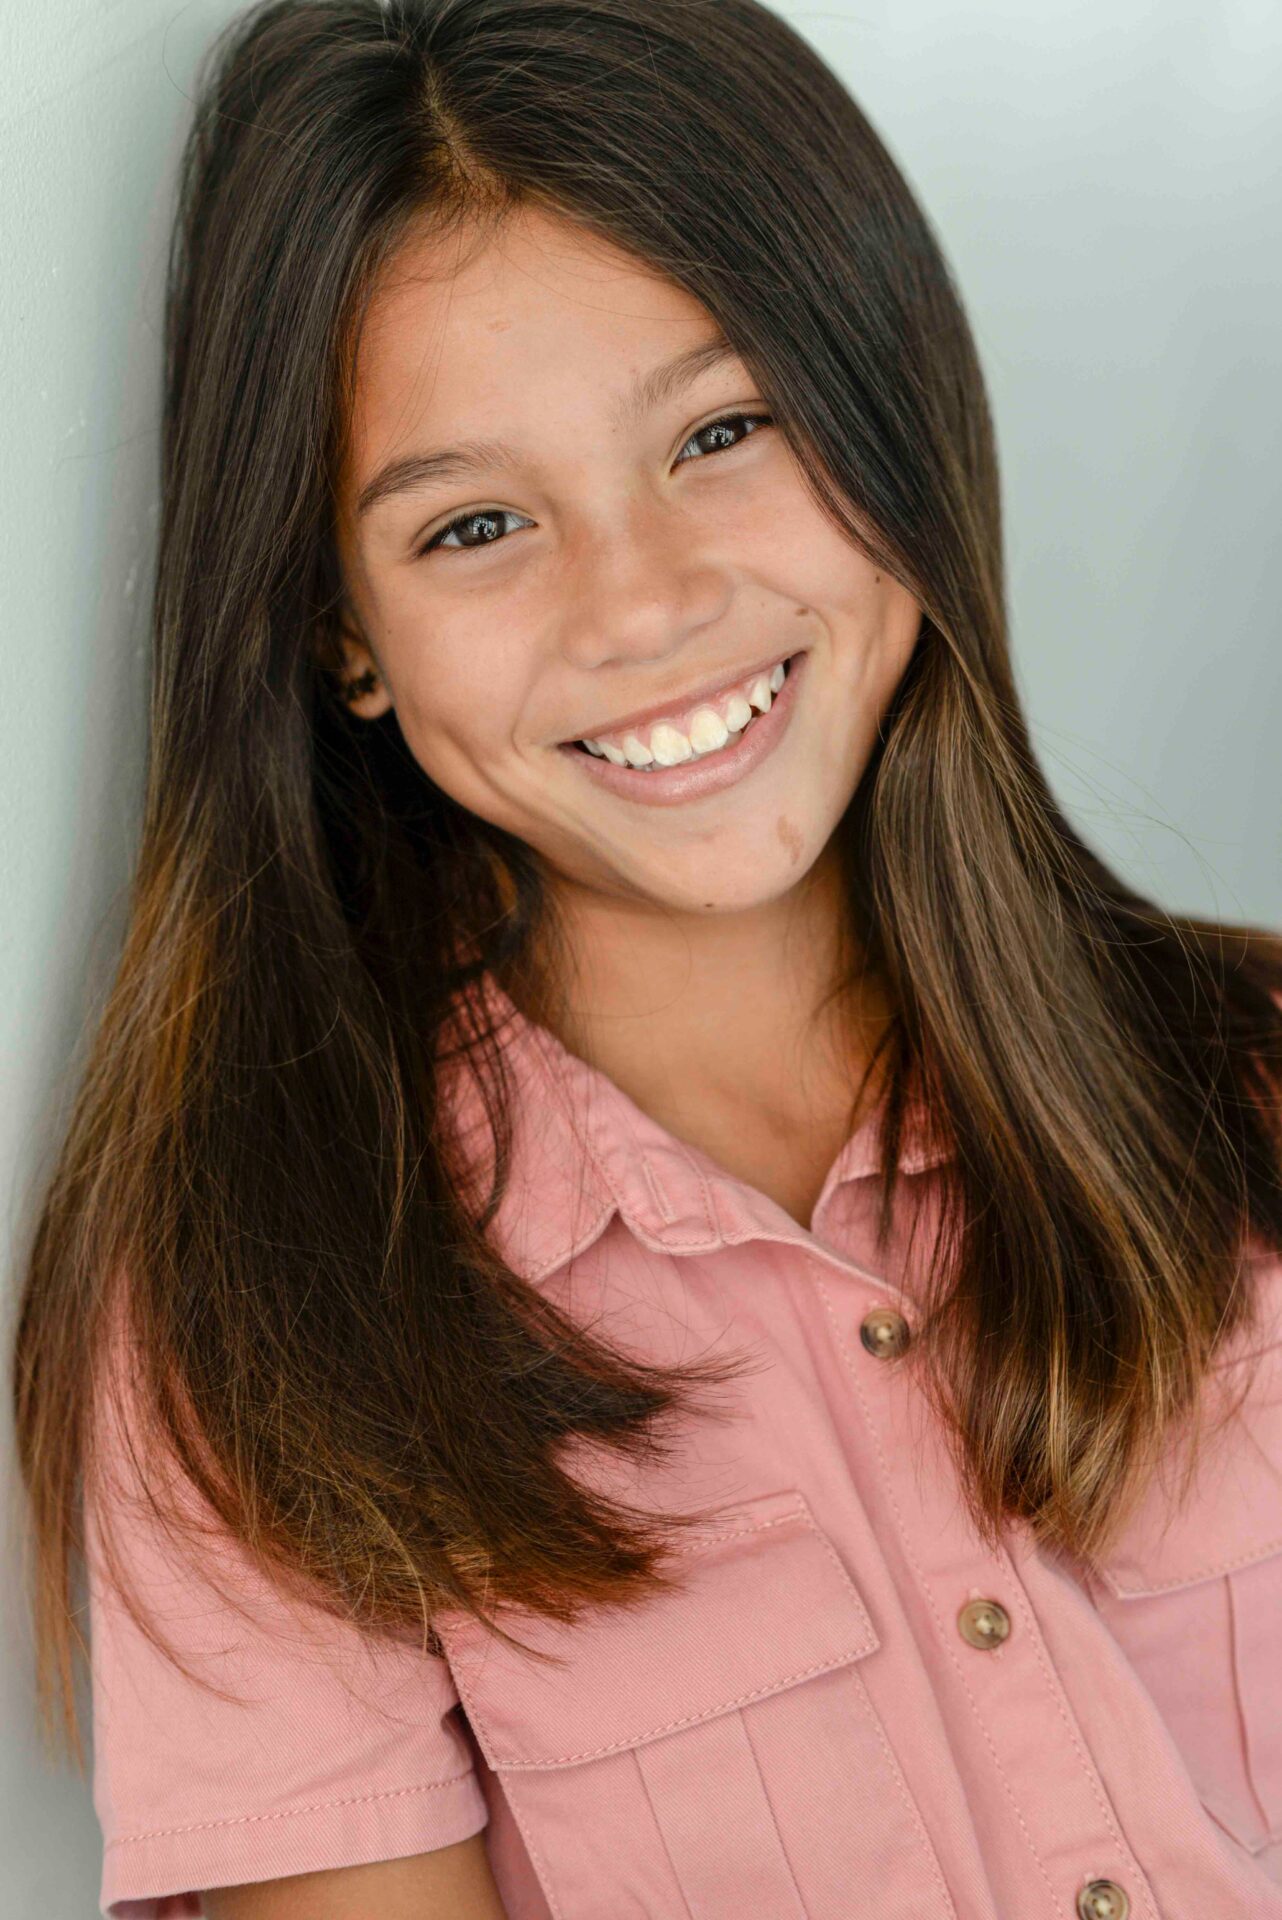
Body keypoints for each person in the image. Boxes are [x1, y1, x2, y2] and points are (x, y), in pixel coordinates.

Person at [11, 0, 1282, 1915]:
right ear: (339, 636)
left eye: (722, 428)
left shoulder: (1258, 1069)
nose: (649, 603)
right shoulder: (257, 1317)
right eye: (479, 525)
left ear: (893, 426)